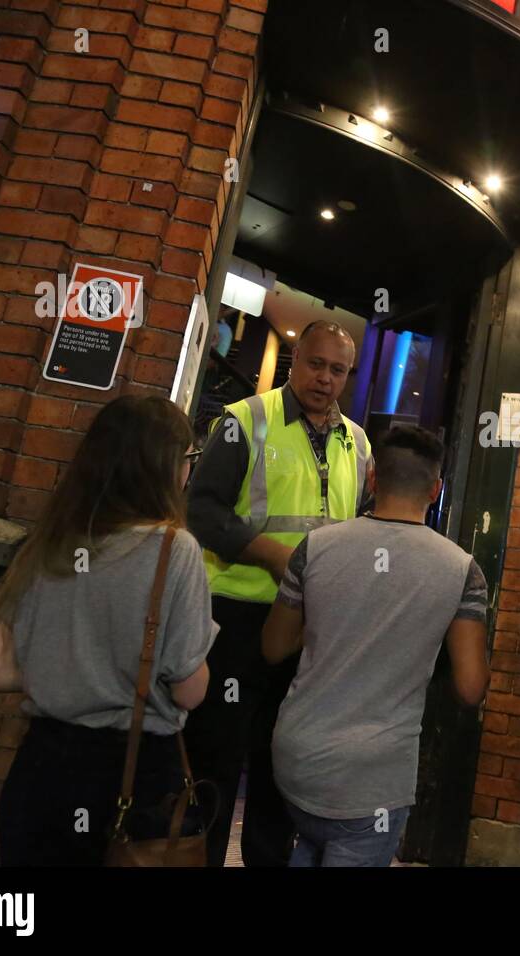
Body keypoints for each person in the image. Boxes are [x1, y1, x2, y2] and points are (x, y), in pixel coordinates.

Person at [0, 396, 215, 866]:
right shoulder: (175, 550)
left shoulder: (48, 541)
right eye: (188, 459)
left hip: (40, 769)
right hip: (132, 776)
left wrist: (72, 670)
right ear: (168, 468)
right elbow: (188, 691)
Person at [184, 320, 373, 866]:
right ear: (296, 359)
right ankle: (200, 857)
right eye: (317, 364)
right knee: (216, 755)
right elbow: (202, 511)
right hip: (237, 616)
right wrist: (277, 556)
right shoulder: (247, 419)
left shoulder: (357, 442)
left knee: (281, 761)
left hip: (308, 627)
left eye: (339, 370)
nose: (326, 379)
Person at [259, 425, 489, 866]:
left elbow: (273, 647)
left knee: (306, 847)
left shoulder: (314, 548)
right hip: (373, 781)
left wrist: (332, 624)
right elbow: (470, 687)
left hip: (297, 761)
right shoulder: (461, 571)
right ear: (436, 490)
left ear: (371, 477)